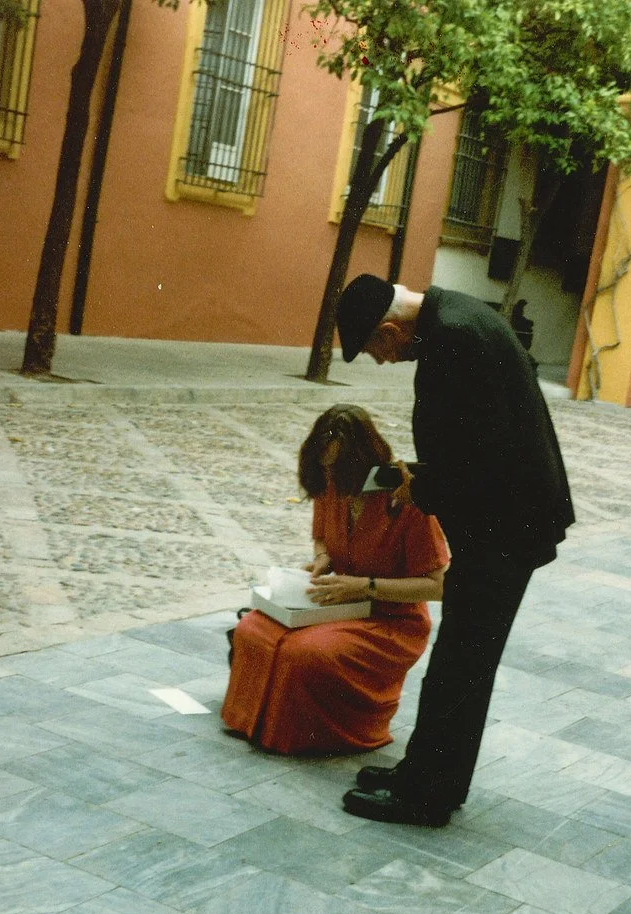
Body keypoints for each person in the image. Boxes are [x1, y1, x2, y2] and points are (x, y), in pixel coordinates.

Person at [335, 275, 575, 826]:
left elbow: (481, 459)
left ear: (390, 330)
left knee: (461, 663)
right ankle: (424, 774)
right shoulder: (458, 317)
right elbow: (481, 439)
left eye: (375, 350)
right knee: (460, 660)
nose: (382, 361)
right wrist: (426, 475)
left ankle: (426, 795)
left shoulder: (453, 341)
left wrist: (423, 487)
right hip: (509, 523)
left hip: (505, 530)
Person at [221, 404, 449, 756]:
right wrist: (323, 558)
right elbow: (321, 537)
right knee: (252, 629)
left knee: (304, 652)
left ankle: (301, 733)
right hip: (341, 603)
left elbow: (439, 585)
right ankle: (258, 722)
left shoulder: (406, 500)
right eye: (325, 467)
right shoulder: (330, 485)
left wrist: (365, 586)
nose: (331, 477)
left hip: (389, 619)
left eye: (338, 468)